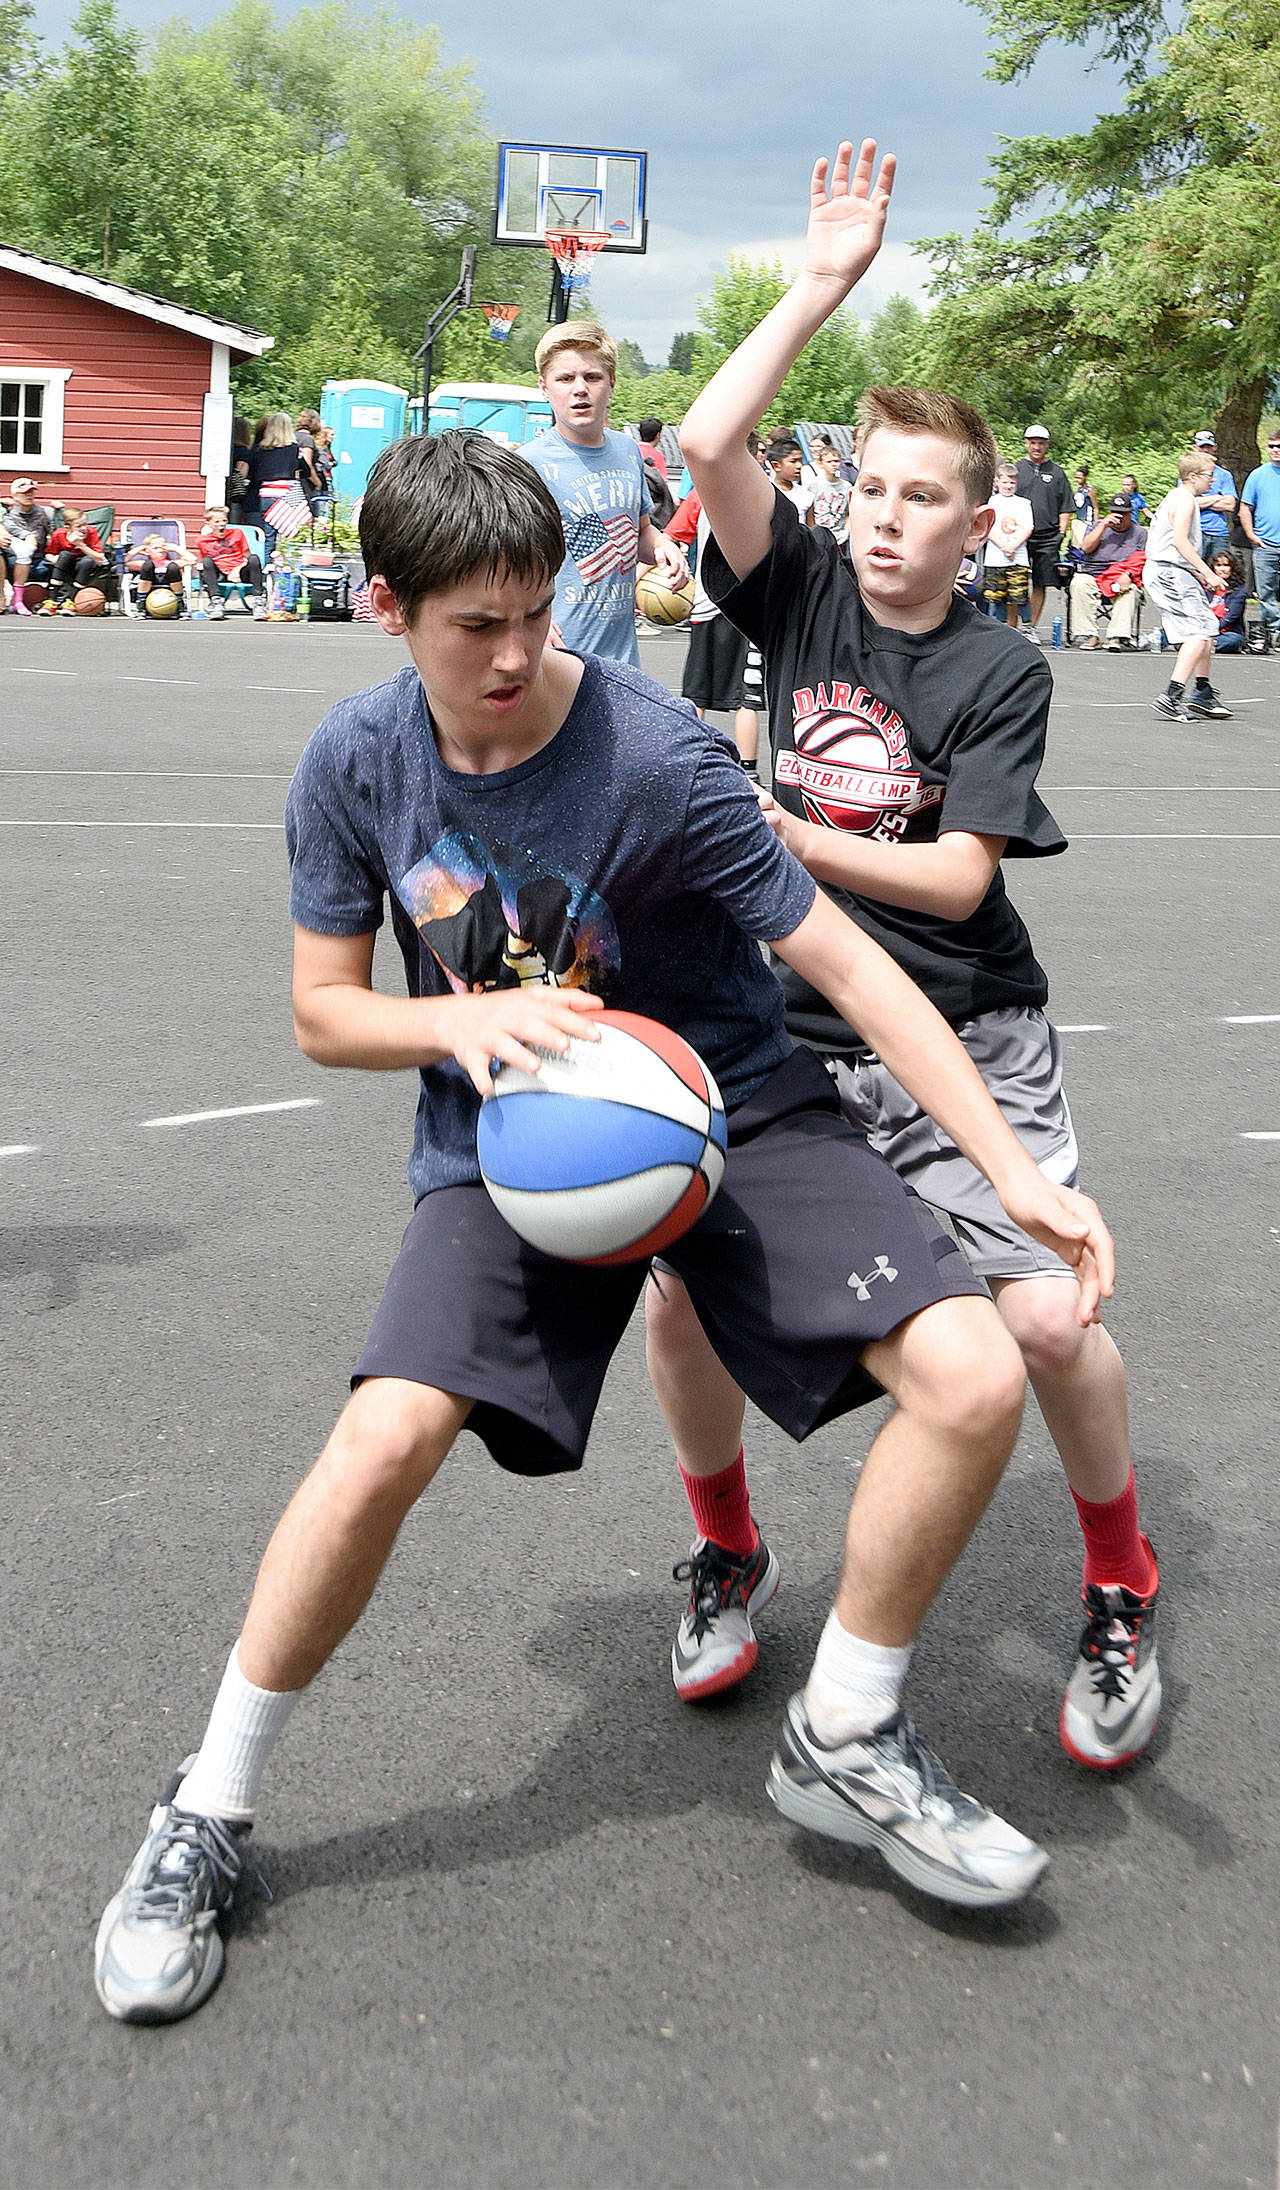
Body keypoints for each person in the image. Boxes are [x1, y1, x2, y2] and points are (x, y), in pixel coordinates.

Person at [92, 422, 1115, 2027]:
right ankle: (205, 1806)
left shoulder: (653, 753)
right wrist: (457, 1031)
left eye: (535, 614)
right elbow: (321, 1013)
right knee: (382, 1438)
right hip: (514, 1142)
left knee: (978, 1372)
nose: (515, 655)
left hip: (734, 1098)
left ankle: (846, 1725)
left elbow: (848, 965)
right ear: (385, 609)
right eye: (473, 627)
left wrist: (1016, 1170)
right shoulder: (357, 764)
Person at [647, 138, 1157, 1808]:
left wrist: (778, 826)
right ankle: (727, 1551)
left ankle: (1120, 1581)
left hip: (968, 1029)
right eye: (868, 487)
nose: (885, 519)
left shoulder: (1002, 670)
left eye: (922, 495)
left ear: (978, 517)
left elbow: (950, 874)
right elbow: (707, 442)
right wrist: (821, 283)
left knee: (1048, 1320)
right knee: (679, 1285)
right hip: (798, 1025)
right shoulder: (794, 590)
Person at [523, 321, 688, 666]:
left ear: (611, 383)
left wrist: (663, 547)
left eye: (592, 377)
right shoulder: (528, 465)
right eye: (565, 379)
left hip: (622, 659)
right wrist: (526, 616)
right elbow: (503, 562)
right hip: (556, 654)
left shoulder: (628, 451)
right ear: (543, 387)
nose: (579, 389)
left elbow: (640, 530)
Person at [670, 450, 760, 779]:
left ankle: (694, 766)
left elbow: (674, 537)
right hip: (744, 607)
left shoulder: (701, 494)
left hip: (719, 605)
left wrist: (675, 563)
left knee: (699, 692)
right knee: (743, 696)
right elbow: (674, 537)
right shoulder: (761, 491)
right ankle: (748, 772)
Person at [1143, 453, 1232, 719]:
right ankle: (1171, 696)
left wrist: (1196, 572)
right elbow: (1180, 542)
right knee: (1198, 632)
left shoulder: (1181, 498)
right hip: (1169, 572)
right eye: (1209, 475)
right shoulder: (1184, 501)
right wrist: (1209, 572)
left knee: (1207, 627)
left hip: (1176, 571)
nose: (1213, 480)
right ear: (1193, 476)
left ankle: (1202, 691)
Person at [1068, 492, 1148, 649]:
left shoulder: (1140, 533)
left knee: (1130, 590)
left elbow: (1142, 560)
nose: (1118, 518)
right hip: (1092, 572)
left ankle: (1115, 636)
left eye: (1123, 514)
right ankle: (1090, 634)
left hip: (1121, 574)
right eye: (1114, 513)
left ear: (1130, 513)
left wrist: (1128, 575)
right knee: (1079, 583)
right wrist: (1103, 526)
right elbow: (1085, 548)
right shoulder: (1098, 526)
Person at [1015, 425, 1072, 633]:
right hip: (1018, 537)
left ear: (1047, 445)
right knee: (1015, 583)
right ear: (1026, 444)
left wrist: (1061, 534)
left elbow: (1066, 507)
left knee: (1040, 583)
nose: (1037, 447)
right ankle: (1011, 628)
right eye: (1033, 443)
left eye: (1041, 443)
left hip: (1048, 537)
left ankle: (1031, 627)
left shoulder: (1057, 473)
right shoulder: (1016, 469)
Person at [246, 413, 311, 560]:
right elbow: (306, 471)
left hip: (266, 493)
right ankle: (285, 570)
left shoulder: (259, 449)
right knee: (290, 533)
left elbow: (252, 474)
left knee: (268, 535)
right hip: (287, 493)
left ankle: (265, 569)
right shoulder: (294, 449)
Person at [1239, 428, 1280, 654]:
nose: (1275, 450)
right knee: (1265, 592)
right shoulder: (1258, 474)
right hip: (1266, 545)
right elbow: (1245, 507)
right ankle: (1273, 633)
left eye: (1279, 446)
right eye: (1272, 446)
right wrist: (1252, 535)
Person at [981, 458, 1034, 633]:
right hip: (995, 558)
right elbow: (985, 527)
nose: (1008, 485)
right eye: (1005, 482)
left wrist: (1013, 547)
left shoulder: (1023, 503)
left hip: (1018, 557)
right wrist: (1003, 545)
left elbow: (1028, 527)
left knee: (1018, 597)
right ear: (997, 482)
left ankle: (1021, 628)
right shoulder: (990, 502)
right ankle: (995, 630)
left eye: (1012, 482)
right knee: (995, 597)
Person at [195, 506, 267, 621]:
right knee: (206, 561)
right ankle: (216, 602)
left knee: (254, 558)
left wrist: (236, 569)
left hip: (240, 571)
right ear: (208, 523)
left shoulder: (237, 533)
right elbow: (208, 565)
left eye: (224, 521)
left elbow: (247, 556)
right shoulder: (202, 541)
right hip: (220, 574)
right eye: (217, 521)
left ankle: (258, 601)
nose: (221, 524)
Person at [0, 477, 53, 612]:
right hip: (15, 559)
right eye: (24, 493)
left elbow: (56, 532)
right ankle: (17, 600)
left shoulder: (46, 512)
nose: (29, 495)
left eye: (31, 492)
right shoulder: (8, 515)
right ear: (15, 496)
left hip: (41, 558)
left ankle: (55, 600)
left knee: (62, 560)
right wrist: (28, 536)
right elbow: (12, 529)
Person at [45, 508, 108, 612]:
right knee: (64, 555)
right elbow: (49, 553)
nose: (83, 528)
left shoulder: (91, 532)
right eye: (78, 526)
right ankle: (51, 601)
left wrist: (80, 545)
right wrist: (55, 559)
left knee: (88, 560)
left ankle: (71, 601)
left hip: (83, 566)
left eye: (85, 524)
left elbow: (99, 558)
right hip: (65, 565)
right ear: (68, 527)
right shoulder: (59, 534)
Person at [1189, 430, 1237, 556]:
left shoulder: (1224, 475)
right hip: (1195, 531)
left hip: (1219, 533)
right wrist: (1217, 497)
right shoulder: (1189, 473)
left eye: (1208, 446)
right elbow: (1189, 502)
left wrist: (1201, 500)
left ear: (1215, 447)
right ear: (1195, 448)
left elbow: (1230, 505)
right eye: (1202, 447)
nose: (1205, 450)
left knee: (1221, 572)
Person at [126, 531, 191, 610]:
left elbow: (193, 560)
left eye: (163, 547)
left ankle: (179, 601)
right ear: (147, 550)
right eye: (156, 548)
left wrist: (176, 548)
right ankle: (141, 601)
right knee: (148, 565)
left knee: (173, 567)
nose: (161, 550)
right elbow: (125, 562)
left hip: (170, 589)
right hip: (149, 588)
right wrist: (139, 549)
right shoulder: (143, 563)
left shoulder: (172, 562)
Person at [809, 438, 853, 545]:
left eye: (836, 461)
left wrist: (846, 532)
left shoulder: (846, 486)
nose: (833, 464)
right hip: (820, 536)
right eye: (829, 462)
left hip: (840, 536)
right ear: (821, 464)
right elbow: (810, 513)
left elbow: (849, 512)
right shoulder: (814, 485)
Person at [1208, 549, 1247, 654]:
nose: (1222, 569)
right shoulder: (1205, 588)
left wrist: (1210, 630)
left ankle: (1198, 646)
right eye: (1218, 565)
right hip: (1202, 628)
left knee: (1234, 640)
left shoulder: (1238, 591)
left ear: (1232, 568)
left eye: (1226, 565)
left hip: (1225, 632)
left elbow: (1230, 617)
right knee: (1170, 631)